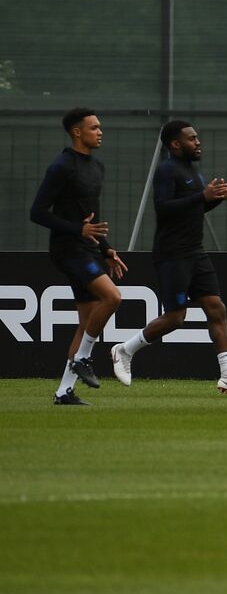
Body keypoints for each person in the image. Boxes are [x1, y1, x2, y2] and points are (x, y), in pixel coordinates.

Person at [109, 120, 227, 396]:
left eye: (197, 137)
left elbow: (193, 209)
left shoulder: (192, 169)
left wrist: (215, 199)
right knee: (176, 317)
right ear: (175, 144)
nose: (198, 142)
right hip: (172, 254)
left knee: (217, 308)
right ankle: (124, 350)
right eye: (191, 139)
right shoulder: (166, 170)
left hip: (195, 251)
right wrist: (203, 196)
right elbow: (164, 208)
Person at [30, 108, 127, 405]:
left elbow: (90, 219)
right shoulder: (62, 166)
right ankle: (83, 359)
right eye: (94, 127)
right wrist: (77, 230)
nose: (100, 132)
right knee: (112, 298)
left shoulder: (96, 167)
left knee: (86, 323)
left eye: (100, 127)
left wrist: (106, 248)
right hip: (67, 250)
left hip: (87, 248)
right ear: (77, 132)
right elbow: (37, 212)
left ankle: (64, 391)